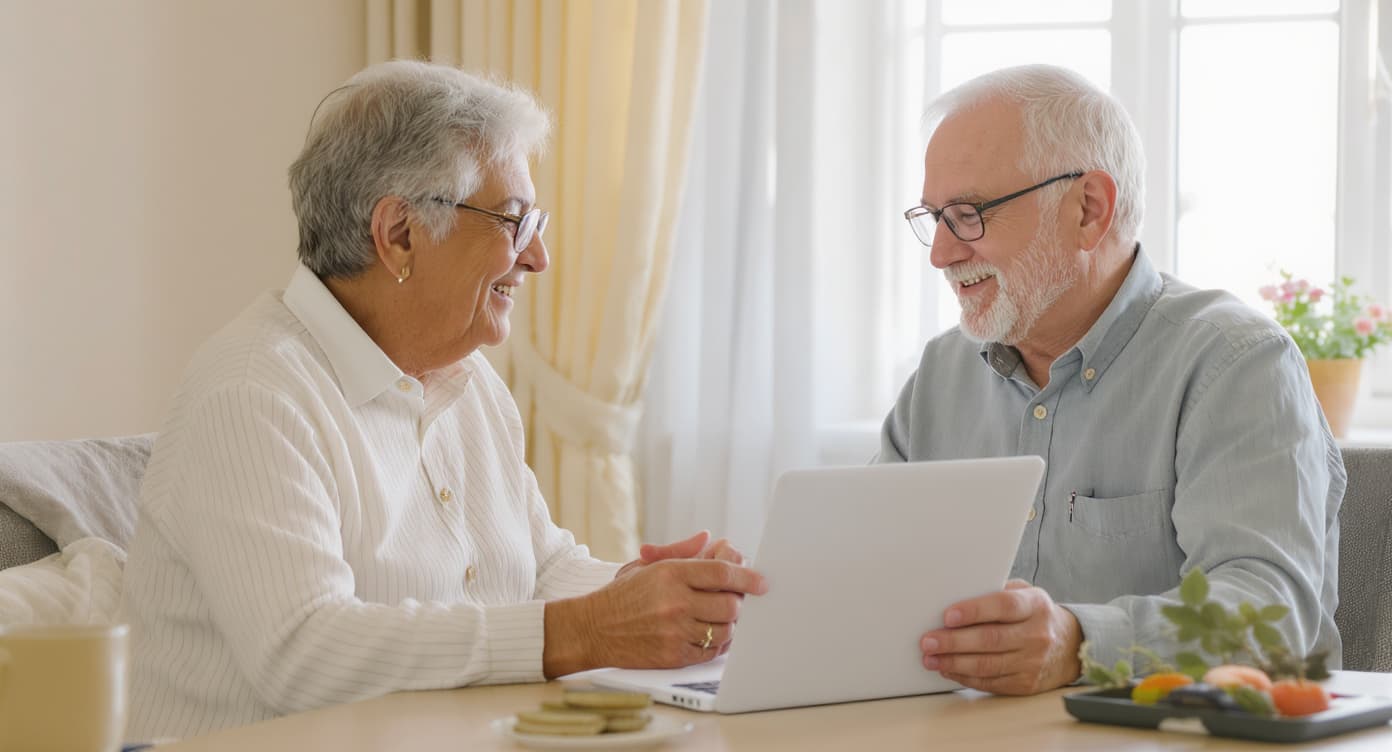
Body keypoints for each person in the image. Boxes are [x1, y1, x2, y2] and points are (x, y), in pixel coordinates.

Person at [122, 60, 766, 739]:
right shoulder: (253, 390)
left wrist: (652, 596)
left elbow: (538, 569)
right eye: (514, 220)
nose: (538, 255)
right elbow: (303, 652)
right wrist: (587, 630)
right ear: (398, 233)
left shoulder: (470, 382)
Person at [883, 64, 1343, 696]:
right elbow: (869, 583)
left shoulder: (1237, 363)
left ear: (1089, 209)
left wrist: (1078, 644)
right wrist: (731, 612)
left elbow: (1269, 618)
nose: (940, 252)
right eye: (934, 216)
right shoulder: (939, 378)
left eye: (967, 214)